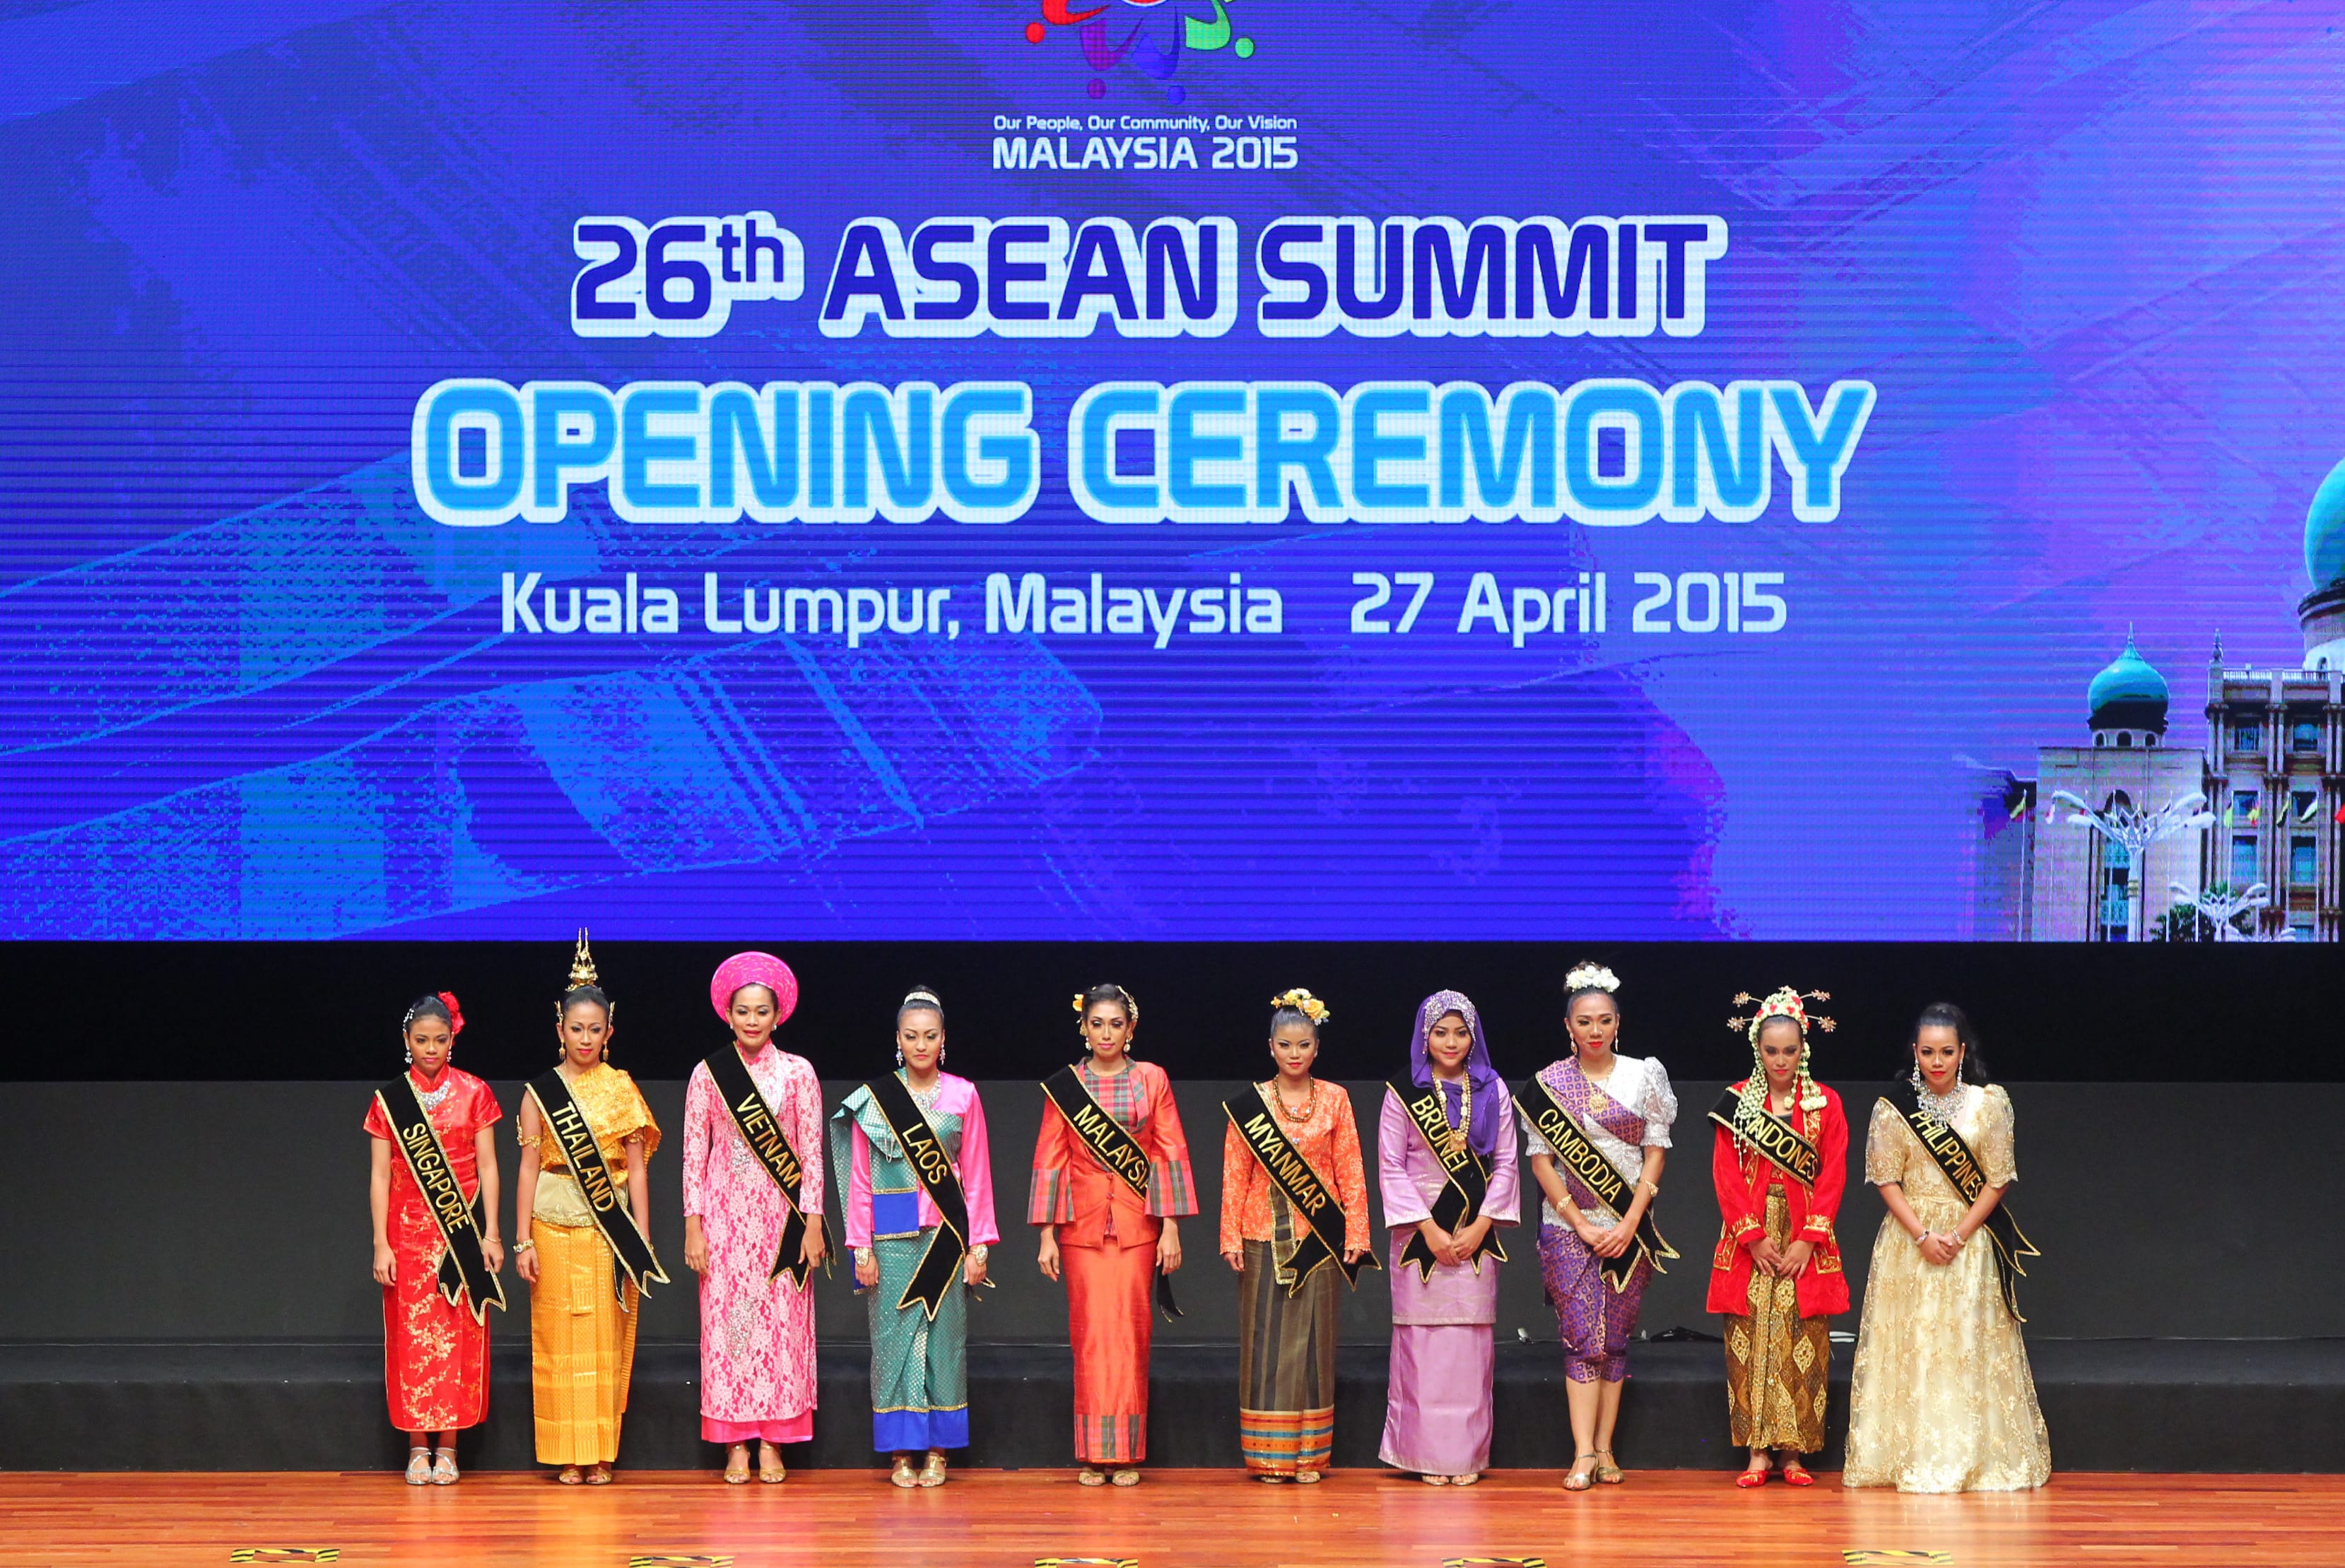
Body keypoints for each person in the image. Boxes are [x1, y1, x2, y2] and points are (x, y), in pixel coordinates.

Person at [1843, 1003, 2050, 1493]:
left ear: (1963, 1052)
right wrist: (1921, 1233)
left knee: (1962, 1347)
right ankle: (1906, 1453)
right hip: (1909, 1242)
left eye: (1948, 1052)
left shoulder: (1988, 1103)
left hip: (1968, 1242)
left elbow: (1998, 1178)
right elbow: (1886, 1178)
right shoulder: (1893, 1107)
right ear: (1915, 1052)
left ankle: (1970, 1455)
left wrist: (1957, 1234)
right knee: (1913, 1347)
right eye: (1929, 1051)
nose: (1938, 1061)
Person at [1517, 960, 1677, 1492]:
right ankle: (1582, 1450)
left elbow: (1655, 1152)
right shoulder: (1547, 1084)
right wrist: (1580, 1223)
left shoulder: (1644, 1074)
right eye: (1583, 1021)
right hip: (1569, 1225)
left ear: (1617, 1022)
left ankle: (1607, 1447)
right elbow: (1541, 1160)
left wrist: (1631, 1219)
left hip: (1630, 1224)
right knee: (1582, 1337)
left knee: (1615, 1339)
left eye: (1603, 1020)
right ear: (1568, 1026)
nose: (1594, 1030)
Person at [831, 986, 999, 1488]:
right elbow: (860, 1175)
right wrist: (860, 1244)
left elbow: (977, 1172)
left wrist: (979, 1243)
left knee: (944, 1342)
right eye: (911, 1036)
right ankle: (900, 1451)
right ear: (898, 1039)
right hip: (891, 1236)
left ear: (943, 1039)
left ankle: (940, 1451)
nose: (920, 1045)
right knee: (893, 1344)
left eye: (930, 1036)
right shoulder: (875, 1097)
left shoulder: (963, 1094)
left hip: (947, 1238)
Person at [1029, 983, 1197, 1487]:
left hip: (1137, 1224)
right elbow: (1051, 1157)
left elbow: (1168, 1148)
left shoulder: (1152, 1078)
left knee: (1130, 1336)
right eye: (1097, 1023)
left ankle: (1125, 1452)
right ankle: (1091, 1452)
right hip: (1081, 1227)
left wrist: (1171, 1228)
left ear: (1131, 1028)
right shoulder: (1066, 1084)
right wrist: (1046, 1235)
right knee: (1090, 1337)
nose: (1106, 1032)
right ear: (1083, 1027)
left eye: (1115, 1024)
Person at [513, 933, 664, 1485]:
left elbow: (639, 1167)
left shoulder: (622, 1088)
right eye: (575, 1028)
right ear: (559, 1030)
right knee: (556, 1337)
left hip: (609, 1230)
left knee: (603, 1338)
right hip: (550, 1225)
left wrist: (642, 1239)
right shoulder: (538, 1093)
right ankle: (565, 1453)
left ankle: (600, 1452)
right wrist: (522, 1240)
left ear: (609, 1032)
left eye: (594, 1029)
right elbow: (528, 1169)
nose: (584, 1037)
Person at [682, 950, 828, 1484]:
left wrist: (813, 1223)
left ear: (777, 1014)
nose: (751, 1020)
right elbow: (693, 1152)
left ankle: (773, 1441)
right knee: (729, 1331)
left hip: (783, 1223)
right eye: (742, 1010)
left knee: (781, 1330)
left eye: (761, 1011)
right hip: (723, 1221)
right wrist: (693, 1224)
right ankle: (734, 1444)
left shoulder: (798, 1072)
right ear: (728, 1012)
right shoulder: (707, 1073)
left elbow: (812, 1152)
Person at [1218, 989, 1374, 1483]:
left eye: (1303, 1044)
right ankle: (1267, 1455)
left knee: (1313, 1345)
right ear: (1270, 1047)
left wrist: (1357, 1230)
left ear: (1316, 1047)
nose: (1294, 1053)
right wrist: (1229, 1237)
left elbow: (1351, 1168)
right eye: (1285, 1045)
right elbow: (1235, 1173)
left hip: (1321, 1238)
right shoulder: (1251, 1104)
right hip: (1261, 1235)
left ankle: (1309, 1455)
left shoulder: (1336, 1099)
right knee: (1264, 1342)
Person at [1708, 987, 1850, 1488]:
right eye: (1772, 1051)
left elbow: (1833, 1174)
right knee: (1749, 1337)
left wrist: (1808, 1239)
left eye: (1790, 1050)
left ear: (1803, 1047)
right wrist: (1752, 1237)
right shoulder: (1738, 1101)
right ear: (1758, 1049)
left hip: (1804, 1234)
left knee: (1801, 1337)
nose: (1781, 1060)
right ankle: (1757, 1452)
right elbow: (1725, 1173)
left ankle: (1794, 1452)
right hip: (1752, 1234)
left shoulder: (1826, 1104)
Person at [1377, 990, 1520, 1486]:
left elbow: (1505, 1163)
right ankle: (1423, 1455)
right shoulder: (1402, 1092)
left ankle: (1465, 1457)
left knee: (1469, 1345)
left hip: (1476, 1235)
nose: (1452, 1041)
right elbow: (1391, 1166)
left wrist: (1482, 1225)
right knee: (1423, 1344)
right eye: (1441, 1032)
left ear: (1473, 1035)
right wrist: (1429, 1228)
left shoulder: (1494, 1089)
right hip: (1422, 1236)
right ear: (1425, 1035)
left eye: (1461, 1032)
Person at [364, 991, 504, 1486]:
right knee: (411, 1343)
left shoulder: (475, 1091)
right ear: (406, 1040)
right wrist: (381, 1243)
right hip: (407, 1238)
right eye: (421, 1040)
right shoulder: (389, 1101)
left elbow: (487, 1165)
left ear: (452, 1039)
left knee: (458, 1341)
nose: (430, 1048)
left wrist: (491, 1233)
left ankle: (449, 1446)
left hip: (460, 1238)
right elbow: (381, 1175)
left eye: (440, 1040)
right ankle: (416, 1445)